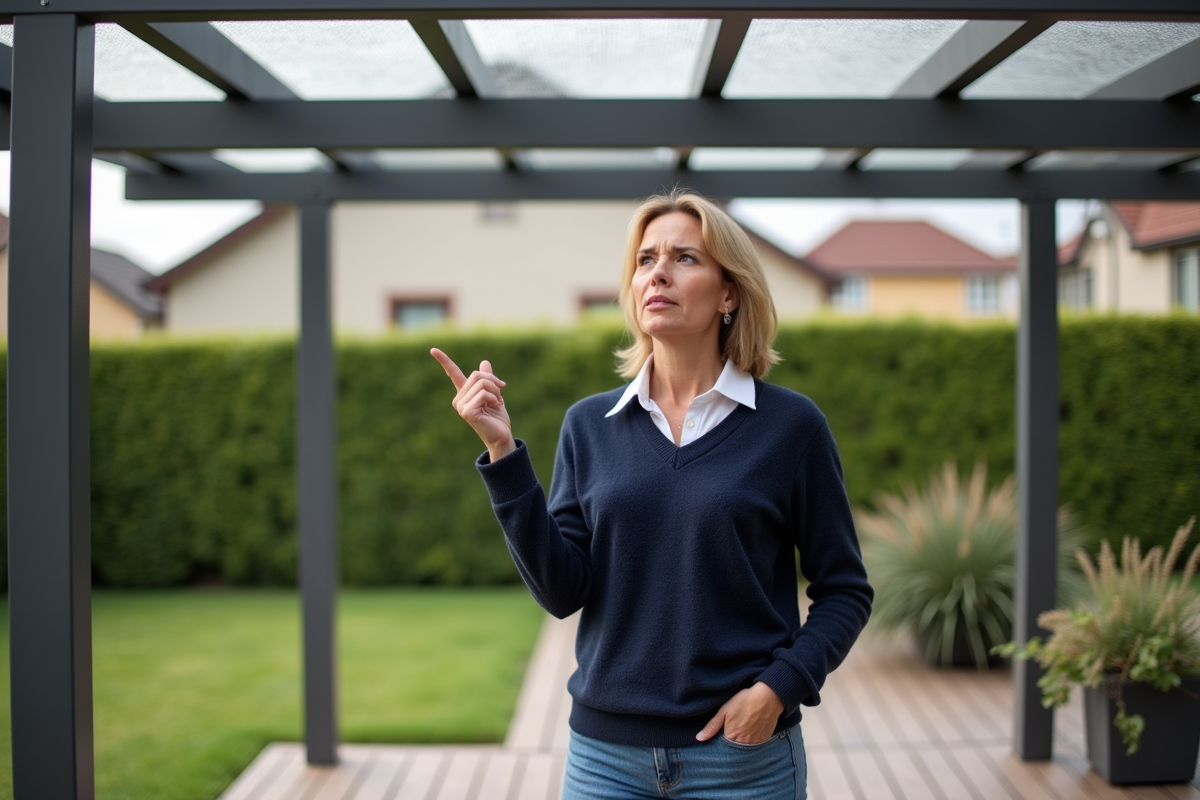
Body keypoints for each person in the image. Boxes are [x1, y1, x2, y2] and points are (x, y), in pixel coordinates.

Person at [431, 190, 872, 799]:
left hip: (742, 761)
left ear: (729, 293)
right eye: (645, 259)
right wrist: (503, 453)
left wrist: (779, 690)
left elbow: (845, 590)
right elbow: (563, 592)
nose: (657, 272)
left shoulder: (792, 428)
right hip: (604, 761)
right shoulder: (589, 425)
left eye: (685, 257)